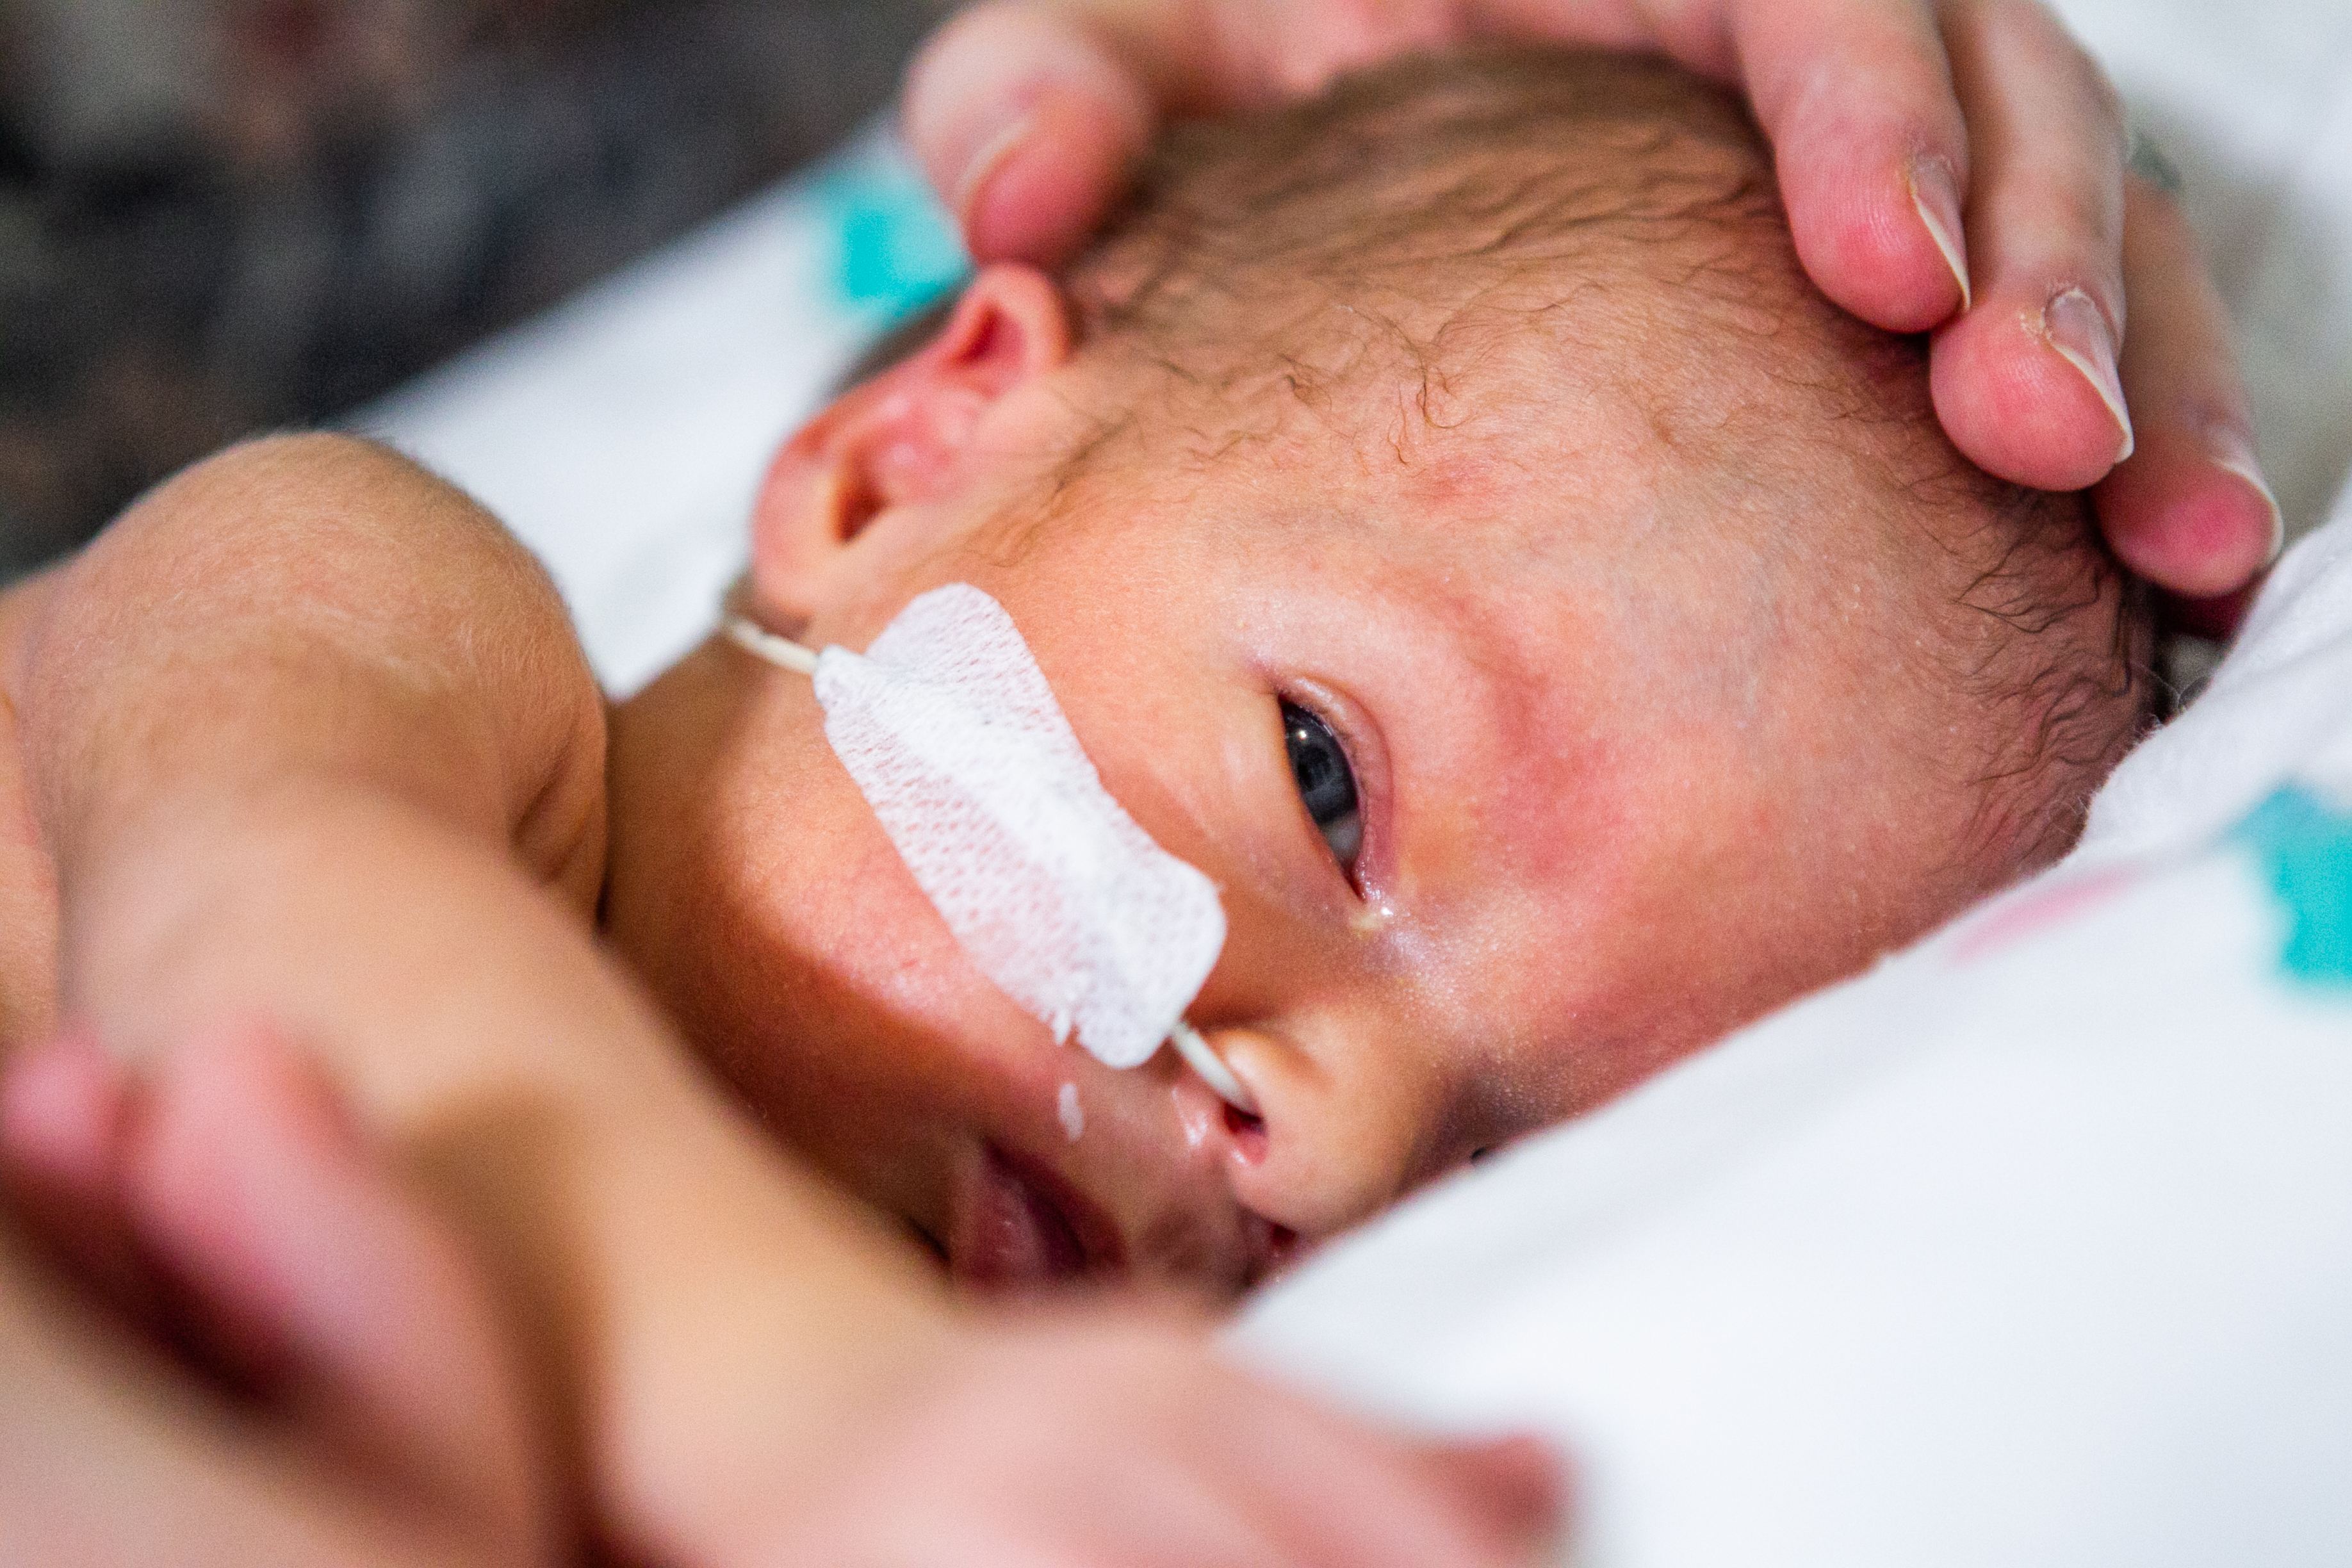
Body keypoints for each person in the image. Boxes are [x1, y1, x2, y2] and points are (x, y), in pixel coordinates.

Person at [0, 21, 2201, 1568]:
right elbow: (258, 920)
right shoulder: (370, 605)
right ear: (904, 462)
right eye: (1325, 784)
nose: (1321, 1158)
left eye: (1490, 1167)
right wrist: (798, 1397)